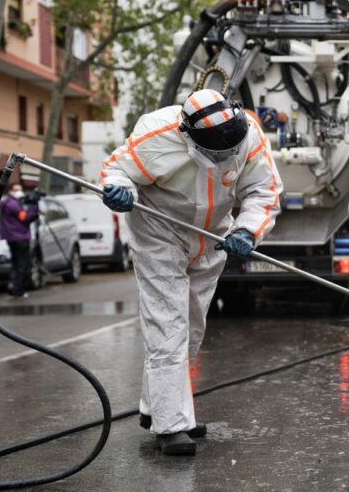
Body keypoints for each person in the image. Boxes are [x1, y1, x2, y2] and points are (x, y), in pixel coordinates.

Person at [100, 89, 282, 456]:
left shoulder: (247, 134)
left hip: (212, 236)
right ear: (188, 136)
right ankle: (171, 425)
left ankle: (159, 409)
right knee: (168, 327)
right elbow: (117, 169)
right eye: (219, 154)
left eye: (233, 148)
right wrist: (118, 190)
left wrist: (247, 230)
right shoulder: (156, 135)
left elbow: (264, 189)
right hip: (159, 233)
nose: (229, 158)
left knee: (192, 328)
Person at [0, 183, 40, 298]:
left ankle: (13, 286)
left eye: (20, 189)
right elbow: (25, 218)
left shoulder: (8, 203)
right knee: (22, 264)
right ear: (10, 191)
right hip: (19, 237)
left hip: (12, 237)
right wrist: (33, 205)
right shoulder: (13, 204)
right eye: (16, 190)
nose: (19, 192)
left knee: (16, 263)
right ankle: (18, 290)